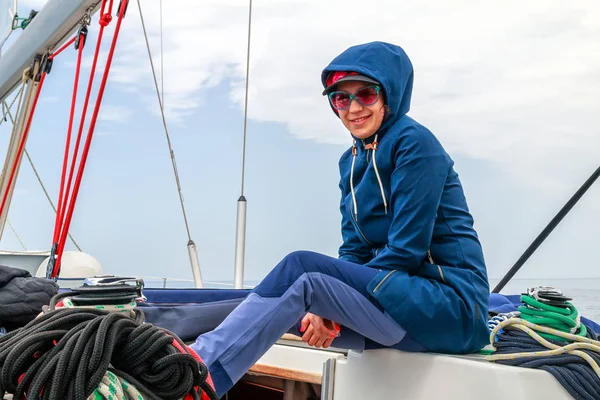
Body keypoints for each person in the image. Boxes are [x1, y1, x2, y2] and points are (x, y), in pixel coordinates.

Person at [190, 41, 490, 397]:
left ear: (389, 93)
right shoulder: (351, 161)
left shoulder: (416, 145)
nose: (353, 108)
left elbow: (407, 250)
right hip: (398, 308)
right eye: (340, 98)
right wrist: (327, 305)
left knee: (298, 268)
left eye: (366, 93)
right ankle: (193, 374)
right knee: (274, 307)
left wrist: (331, 305)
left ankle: (195, 374)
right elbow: (353, 252)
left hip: (449, 309)